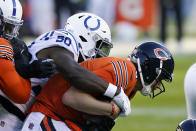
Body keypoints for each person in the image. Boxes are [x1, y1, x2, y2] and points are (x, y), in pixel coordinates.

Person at [21, 41, 175, 131]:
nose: (159, 84)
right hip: (49, 116)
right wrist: (111, 109)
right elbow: (71, 97)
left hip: (62, 119)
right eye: (160, 77)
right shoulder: (124, 71)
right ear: (147, 68)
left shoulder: (132, 85)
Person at [27, 12, 130, 115]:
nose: (100, 54)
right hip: (15, 110)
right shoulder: (66, 39)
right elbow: (73, 72)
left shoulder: (69, 52)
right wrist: (116, 92)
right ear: (85, 37)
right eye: (99, 45)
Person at [0, 0, 56, 130]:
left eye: (12, 28)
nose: (10, 34)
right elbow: (20, 94)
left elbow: (21, 77)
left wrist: (30, 70)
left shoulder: (17, 45)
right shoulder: (4, 45)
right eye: (7, 27)